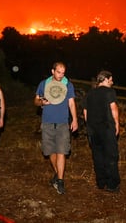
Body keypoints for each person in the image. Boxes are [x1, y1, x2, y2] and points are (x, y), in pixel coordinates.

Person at [34, 61, 78, 195]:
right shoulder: (44, 84)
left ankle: (60, 180)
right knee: (49, 152)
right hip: (47, 123)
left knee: (62, 151)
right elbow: (35, 101)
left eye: (63, 72)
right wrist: (41, 102)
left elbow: (71, 103)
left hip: (63, 123)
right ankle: (57, 174)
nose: (61, 75)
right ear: (52, 71)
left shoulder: (67, 84)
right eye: (58, 72)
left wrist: (75, 119)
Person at [83, 70, 120, 193]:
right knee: (111, 155)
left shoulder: (90, 94)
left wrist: (89, 126)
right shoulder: (109, 92)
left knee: (97, 156)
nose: (112, 82)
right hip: (107, 128)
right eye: (111, 79)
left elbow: (85, 112)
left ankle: (101, 182)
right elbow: (113, 108)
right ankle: (112, 184)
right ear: (105, 79)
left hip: (93, 130)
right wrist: (117, 124)